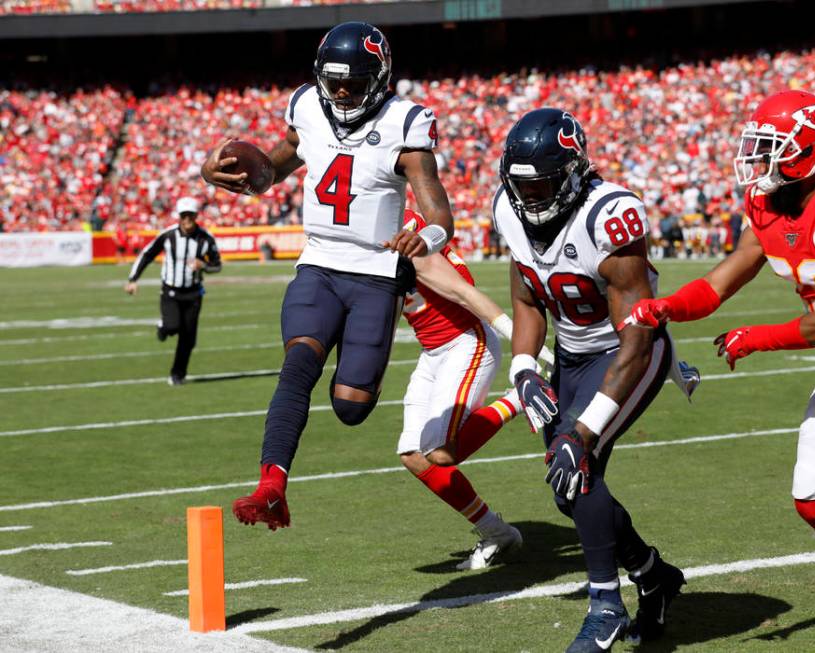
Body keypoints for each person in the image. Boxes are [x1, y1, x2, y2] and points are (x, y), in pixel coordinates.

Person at [626, 91, 815, 653]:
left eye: (769, 148)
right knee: (813, 496)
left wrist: (758, 337)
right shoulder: (765, 205)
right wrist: (666, 306)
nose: (757, 159)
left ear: (810, 152)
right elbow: (718, 284)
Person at [200, 22, 455, 530]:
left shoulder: (406, 125)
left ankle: (364, 373)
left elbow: (439, 216)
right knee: (298, 364)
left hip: (376, 274)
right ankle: (271, 483)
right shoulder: (307, 109)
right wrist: (217, 173)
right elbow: (268, 174)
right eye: (332, 80)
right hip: (318, 263)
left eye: (352, 81)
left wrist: (424, 239)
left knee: (351, 408)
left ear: (379, 78)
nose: (340, 91)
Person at [495, 108, 697, 652]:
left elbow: (633, 336)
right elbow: (526, 297)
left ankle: (605, 604)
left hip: (631, 351)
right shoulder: (509, 211)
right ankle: (654, 575)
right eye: (521, 187)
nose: (529, 199)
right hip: (571, 354)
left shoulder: (609, 216)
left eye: (541, 186)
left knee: (574, 464)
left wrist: (582, 434)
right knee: (569, 491)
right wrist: (522, 368)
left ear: (572, 173)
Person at [398, 208, 554, 570]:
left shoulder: (406, 237)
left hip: (467, 343)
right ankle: (497, 532)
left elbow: (466, 294)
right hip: (433, 350)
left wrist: (521, 345)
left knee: (440, 451)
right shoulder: (371, 232)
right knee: (413, 454)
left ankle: (518, 399)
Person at [124, 197, 221, 386]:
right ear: (178, 217)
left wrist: (204, 265)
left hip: (194, 294)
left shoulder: (205, 238)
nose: (187, 219)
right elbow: (147, 254)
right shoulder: (168, 235)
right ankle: (163, 327)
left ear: (196, 216)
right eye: (184, 215)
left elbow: (217, 265)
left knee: (188, 339)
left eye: (190, 215)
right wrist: (133, 279)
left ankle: (178, 374)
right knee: (172, 326)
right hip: (171, 291)